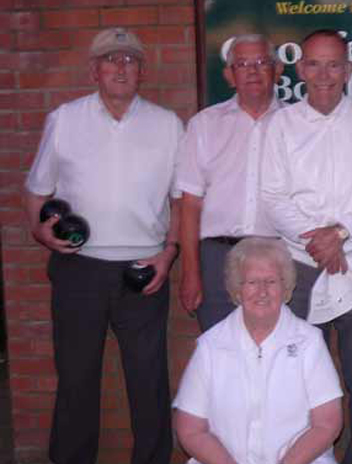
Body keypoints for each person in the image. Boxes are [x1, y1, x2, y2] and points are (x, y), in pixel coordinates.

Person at [22, 27, 183, 464]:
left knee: (148, 381)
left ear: (142, 71)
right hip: (79, 269)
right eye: (111, 60)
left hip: (144, 270)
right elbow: (36, 192)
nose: (120, 67)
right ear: (94, 70)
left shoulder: (168, 125)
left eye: (129, 60)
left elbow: (181, 200)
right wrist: (40, 232)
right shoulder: (65, 119)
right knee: (76, 380)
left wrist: (169, 253)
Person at [261, 29, 352, 464]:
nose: (324, 74)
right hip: (300, 265)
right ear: (300, 69)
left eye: (334, 64)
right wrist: (319, 241)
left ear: (348, 70)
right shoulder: (281, 124)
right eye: (314, 64)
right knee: (299, 373)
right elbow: (273, 195)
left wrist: (339, 234)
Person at [173, 237, 343, 464]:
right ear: (237, 290)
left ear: (285, 288)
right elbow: (190, 430)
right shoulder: (210, 345)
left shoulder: (309, 342)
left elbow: (327, 424)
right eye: (252, 282)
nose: (262, 291)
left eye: (271, 281)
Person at [177, 34, 284, 332]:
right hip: (217, 259)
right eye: (243, 64)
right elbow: (190, 205)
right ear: (229, 75)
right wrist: (191, 272)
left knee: (275, 346)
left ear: (277, 70)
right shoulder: (204, 124)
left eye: (261, 62)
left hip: (278, 254)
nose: (253, 71)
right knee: (219, 346)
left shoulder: (296, 122)